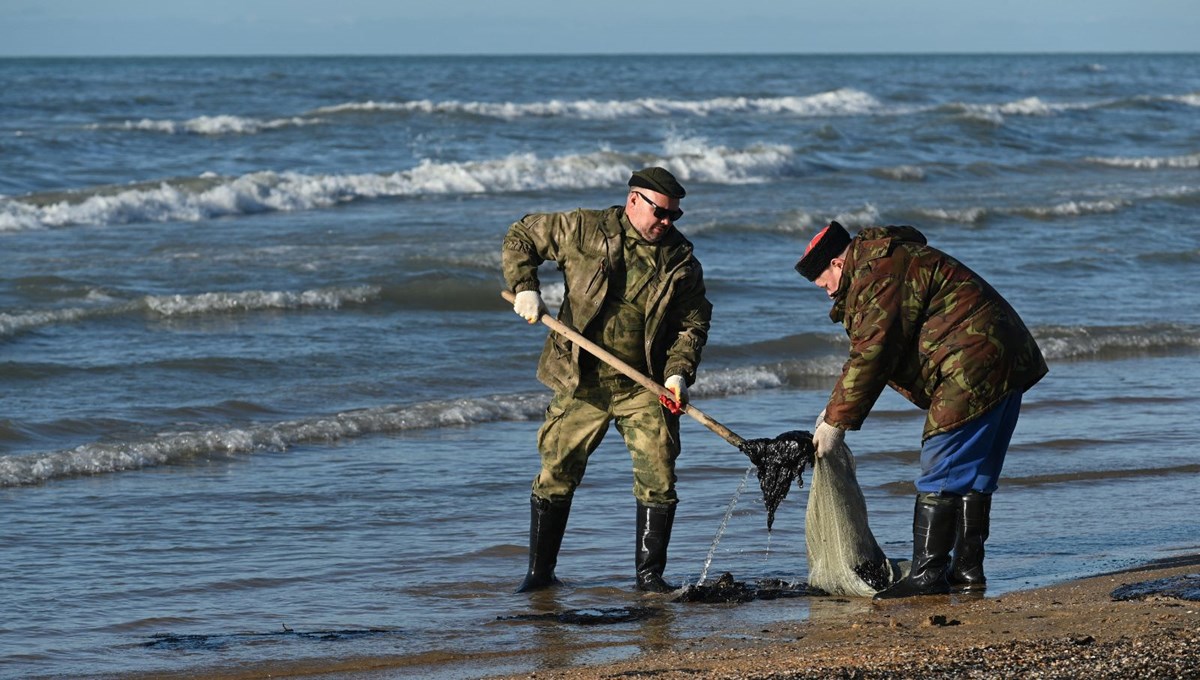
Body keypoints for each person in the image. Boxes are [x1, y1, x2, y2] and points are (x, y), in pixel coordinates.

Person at [795, 221, 1047, 599]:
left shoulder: (875, 274)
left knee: (940, 465)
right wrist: (833, 412)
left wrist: (835, 423)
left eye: (824, 283)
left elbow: (872, 353)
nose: (828, 293)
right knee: (975, 474)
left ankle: (928, 574)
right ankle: (967, 571)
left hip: (971, 361)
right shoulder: (889, 261)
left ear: (837, 263)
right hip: (1005, 355)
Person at [503, 167, 712, 593]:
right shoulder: (583, 228)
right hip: (582, 379)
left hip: (645, 384)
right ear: (634, 200)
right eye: (662, 212)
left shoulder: (680, 260)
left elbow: (693, 323)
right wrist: (526, 286)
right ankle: (540, 576)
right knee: (557, 470)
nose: (668, 222)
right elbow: (521, 235)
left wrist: (677, 374)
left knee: (659, 474)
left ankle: (650, 579)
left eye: (675, 215)